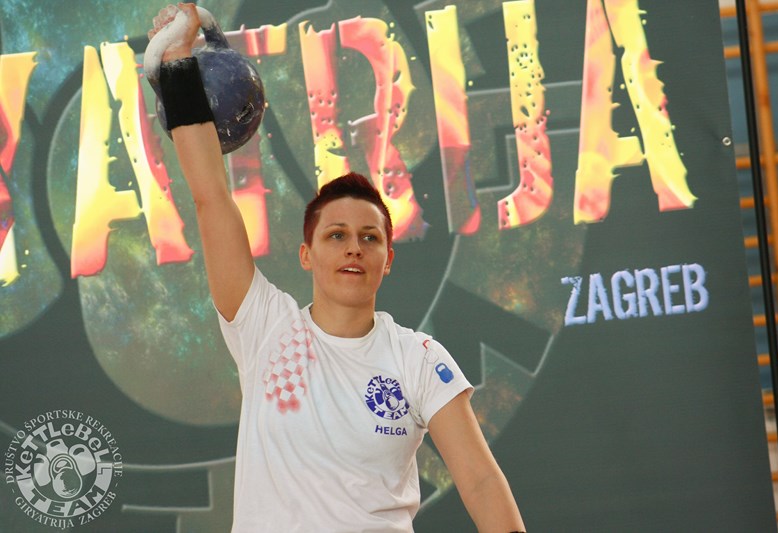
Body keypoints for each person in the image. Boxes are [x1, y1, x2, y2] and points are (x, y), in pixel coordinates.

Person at [149, 4, 527, 532]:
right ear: (307, 254)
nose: (354, 248)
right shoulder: (264, 327)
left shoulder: (417, 359)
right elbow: (211, 194)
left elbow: (481, 482)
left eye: (370, 237)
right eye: (336, 235)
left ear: (387, 260)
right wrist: (177, 61)